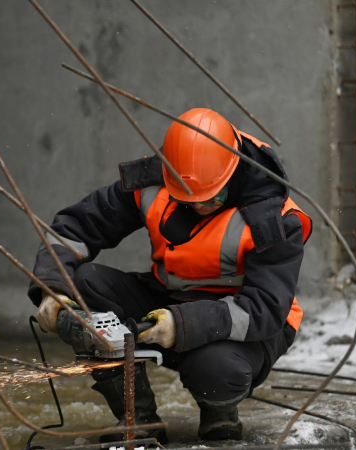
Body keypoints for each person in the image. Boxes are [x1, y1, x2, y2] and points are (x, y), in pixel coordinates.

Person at [29, 108, 311, 443]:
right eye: (187, 200)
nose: (200, 207)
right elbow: (75, 227)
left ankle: (220, 417)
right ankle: (138, 418)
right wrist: (51, 288)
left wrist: (181, 324)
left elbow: (265, 308)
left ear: (231, 174)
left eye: (212, 199)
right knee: (85, 283)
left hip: (247, 322)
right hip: (170, 298)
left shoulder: (274, 218)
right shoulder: (157, 181)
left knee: (217, 368)